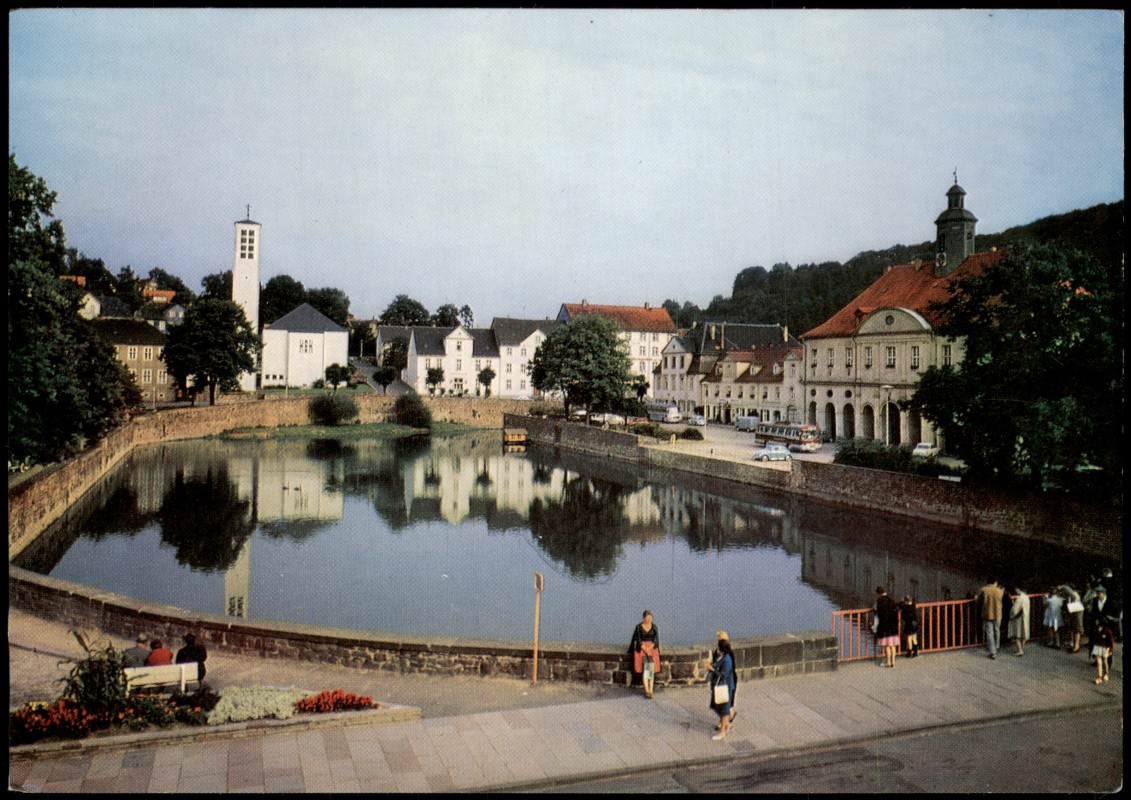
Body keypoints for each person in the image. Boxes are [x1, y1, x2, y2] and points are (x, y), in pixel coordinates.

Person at [706, 631, 736, 740]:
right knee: (718, 707)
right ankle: (726, 722)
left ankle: (722, 731)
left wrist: (712, 669)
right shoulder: (722, 655)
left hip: (725, 687)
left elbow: (723, 674)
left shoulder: (727, 659)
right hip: (720, 685)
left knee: (724, 710)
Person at [630, 610, 660, 698]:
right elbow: (638, 640)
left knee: (650, 669)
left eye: (650, 617)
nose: (649, 619)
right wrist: (645, 649)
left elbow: (656, 640)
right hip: (642, 649)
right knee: (647, 670)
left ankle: (650, 689)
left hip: (652, 649)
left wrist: (650, 648)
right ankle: (647, 689)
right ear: (644, 618)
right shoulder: (639, 627)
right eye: (648, 618)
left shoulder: (654, 627)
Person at [978, 578, 1005, 659]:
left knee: (989, 632)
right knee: (997, 630)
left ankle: (992, 651)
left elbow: (979, 600)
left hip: (987, 614)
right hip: (998, 614)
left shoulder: (984, 590)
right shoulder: (1000, 591)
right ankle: (997, 646)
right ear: (995, 582)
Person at [874, 586, 900, 668]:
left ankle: (888, 662)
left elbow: (877, 611)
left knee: (887, 646)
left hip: (884, 626)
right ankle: (893, 662)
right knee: (892, 645)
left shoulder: (879, 601)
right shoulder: (891, 600)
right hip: (893, 625)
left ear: (878, 593)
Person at [1089, 619, 1115, 685]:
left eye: (1097, 621)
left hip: (1105, 648)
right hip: (1098, 647)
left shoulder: (1107, 631)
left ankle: (1106, 673)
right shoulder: (1096, 629)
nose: (1096, 621)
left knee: (1105, 661)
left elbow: (1111, 641)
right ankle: (1099, 677)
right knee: (1099, 662)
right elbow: (1094, 639)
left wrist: (1111, 649)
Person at [1007, 586, 1030, 657]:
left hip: (1018, 618)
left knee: (1017, 635)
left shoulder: (1020, 598)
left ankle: (1020, 650)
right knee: (1024, 634)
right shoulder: (1026, 597)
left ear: (1018, 589)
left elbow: (1014, 610)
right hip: (1025, 617)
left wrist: (1011, 616)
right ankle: (1022, 649)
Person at [1062, 583, 1085, 653]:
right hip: (1073, 612)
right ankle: (1073, 644)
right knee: (1073, 628)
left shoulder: (1073, 594)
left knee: (1077, 629)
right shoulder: (1070, 596)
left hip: (1077, 612)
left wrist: (1063, 586)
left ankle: (1076, 646)